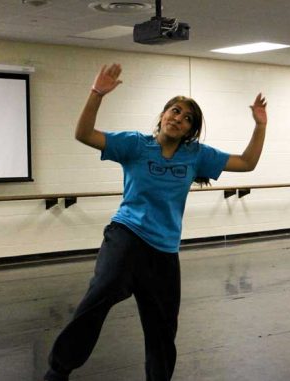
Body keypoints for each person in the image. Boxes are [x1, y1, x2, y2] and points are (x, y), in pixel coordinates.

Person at [44, 63, 267, 381]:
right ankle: (59, 369)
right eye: (175, 111)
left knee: (163, 328)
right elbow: (83, 134)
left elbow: (247, 162)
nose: (179, 118)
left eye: (187, 118)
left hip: (163, 250)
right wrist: (97, 93)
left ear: (190, 130)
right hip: (126, 236)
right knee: (99, 296)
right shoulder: (135, 145)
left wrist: (260, 126)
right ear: (162, 115)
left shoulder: (196, 155)